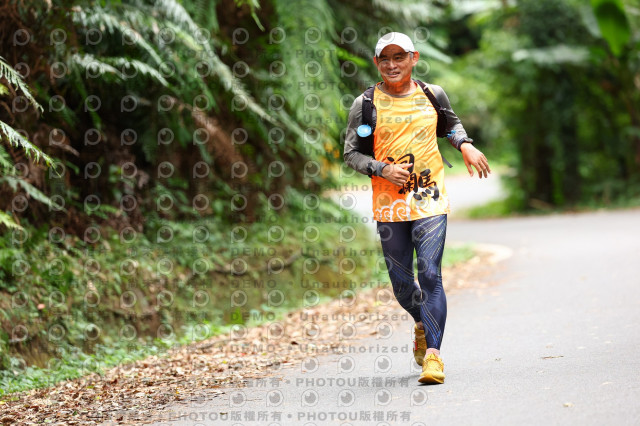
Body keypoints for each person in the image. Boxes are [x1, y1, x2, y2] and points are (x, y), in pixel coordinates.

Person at [343, 32, 490, 384]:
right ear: (376, 62)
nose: (392, 65)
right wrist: (381, 169)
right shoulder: (365, 104)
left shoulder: (432, 94)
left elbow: (450, 125)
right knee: (401, 285)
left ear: (414, 58)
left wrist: (464, 144)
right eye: (385, 59)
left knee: (430, 274)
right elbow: (351, 153)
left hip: (430, 197)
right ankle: (422, 322)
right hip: (389, 205)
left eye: (399, 57)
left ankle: (434, 357)